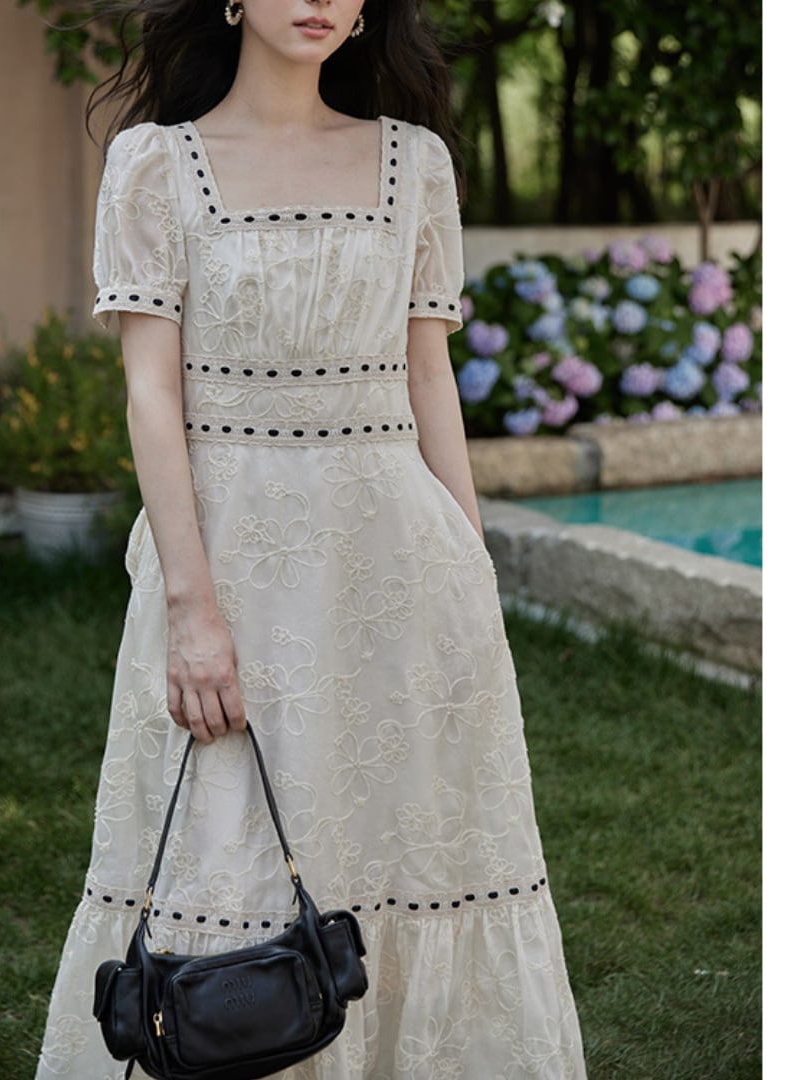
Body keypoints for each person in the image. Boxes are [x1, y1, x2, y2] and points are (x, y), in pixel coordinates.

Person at [36, 1, 587, 1076]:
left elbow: (429, 377)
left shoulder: (417, 163)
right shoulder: (154, 165)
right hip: (230, 569)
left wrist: (471, 575)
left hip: (399, 563)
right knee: (226, 849)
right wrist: (193, 610)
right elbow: (151, 397)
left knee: (412, 851)